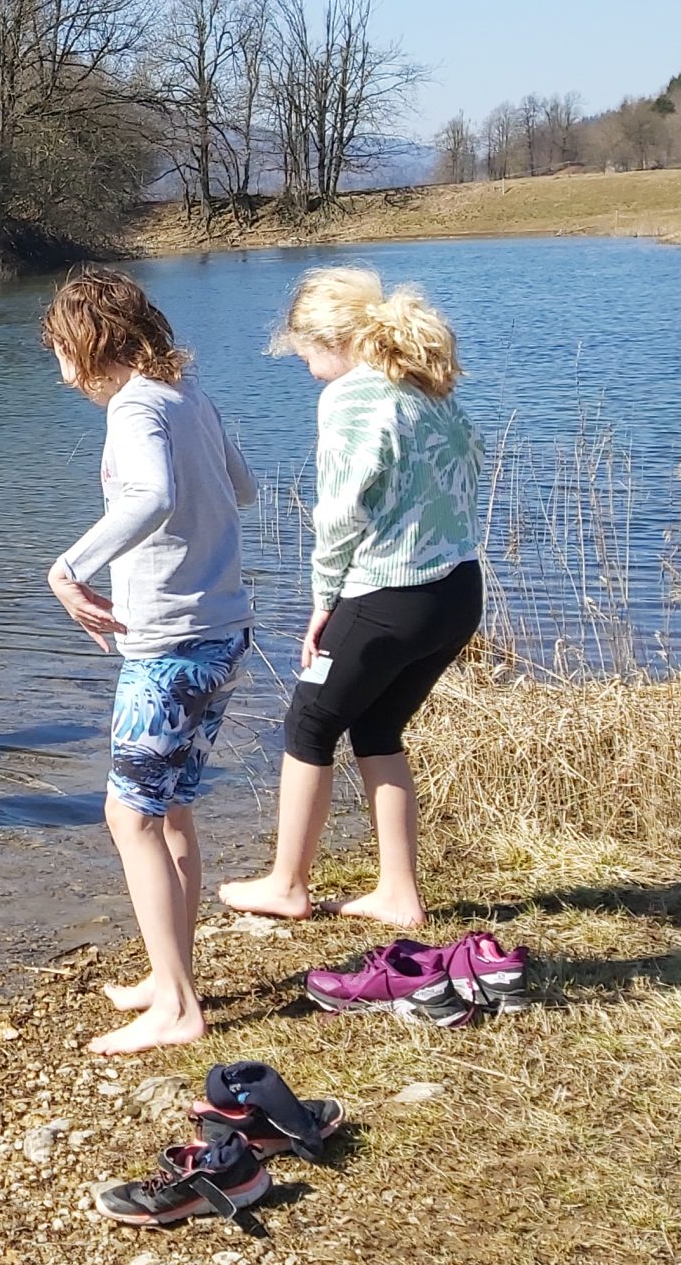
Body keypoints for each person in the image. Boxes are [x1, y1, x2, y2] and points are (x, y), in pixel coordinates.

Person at [220, 268, 483, 931]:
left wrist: (323, 600)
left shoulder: (354, 396)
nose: (309, 371)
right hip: (456, 591)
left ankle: (286, 884)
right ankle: (398, 893)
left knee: (308, 724)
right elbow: (469, 466)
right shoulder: (425, 386)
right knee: (375, 728)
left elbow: (338, 513)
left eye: (305, 355)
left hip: (390, 595)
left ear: (330, 339)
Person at [41, 268, 256, 1055]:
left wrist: (70, 567)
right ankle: (171, 980)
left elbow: (152, 498)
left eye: (60, 351)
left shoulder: (135, 406)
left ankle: (177, 1011)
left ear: (88, 343)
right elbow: (245, 485)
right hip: (224, 630)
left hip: (170, 647)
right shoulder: (186, 394)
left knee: (128, 815)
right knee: (169, 810)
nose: (60, 373)